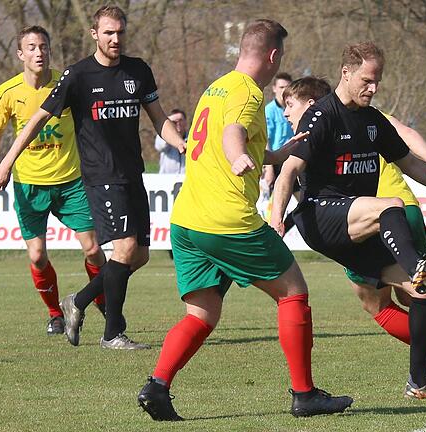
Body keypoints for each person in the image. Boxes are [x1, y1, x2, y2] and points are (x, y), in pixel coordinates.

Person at [136, 19, 353, 422]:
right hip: (226, 220)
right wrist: (238, 155)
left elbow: (230, 136)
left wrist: (276, 153)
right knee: (293, 292)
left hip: (187, 222)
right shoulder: (249, 94)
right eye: (281, 58)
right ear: (273, 56)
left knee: (201, 315)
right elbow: (232, 134)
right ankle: (305, 395)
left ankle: (158, 386)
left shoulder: (216, 87)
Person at [270, 42, 426, 399]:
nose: (373, 88)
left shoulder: (373, 121)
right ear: (346, 73)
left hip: (355, 222)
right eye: (367, 80)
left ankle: (420, 382)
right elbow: (288, 172)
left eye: (377, 82)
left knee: (425, 293)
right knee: (389, 205)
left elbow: (412, 164)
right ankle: (418, 265)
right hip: (319, 214)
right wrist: (276, 220)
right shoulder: (322, 115)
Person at [0, 6, 186, 350]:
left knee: (139, 256)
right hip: (99, 177)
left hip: (133, 174)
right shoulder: (77, 75)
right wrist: (6, 162)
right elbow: (36, 121)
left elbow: (159, 118)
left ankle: (76, 301)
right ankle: (112, 333)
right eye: (108, 32)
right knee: (121, 249)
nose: (115, 38)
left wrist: (183, 142)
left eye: (120, 32)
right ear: (95, 34)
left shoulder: (138, 70)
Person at [0, 25, 107, 336]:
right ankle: (55, 313)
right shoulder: (8, 92)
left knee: (92, 249)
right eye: (32, 47)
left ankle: (103, 303)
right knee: (36, 255)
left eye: (44, 46)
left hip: (71, 181)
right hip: (29, 184)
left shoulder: (68, 83)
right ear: (21, 54)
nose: (39, 52)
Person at [154, 109, 187, 174]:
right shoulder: (164, 136)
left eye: (180, 120)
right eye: (174, 122)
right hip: (167, 179)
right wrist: (168, 123)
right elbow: (160, 146)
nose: (178, 123)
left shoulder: (191, 137)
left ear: (185, 122)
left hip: (185, 178)